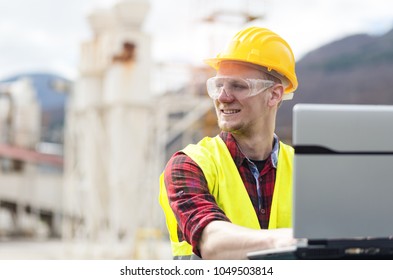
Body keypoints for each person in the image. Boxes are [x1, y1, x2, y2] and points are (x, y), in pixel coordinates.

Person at [159, 26, 298, 260]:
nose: (223, 97)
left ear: (274, 95)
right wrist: (290, 241)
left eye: (238, 86)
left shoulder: (306, 168)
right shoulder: (188, 165)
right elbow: (212, 242)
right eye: (218, 85)